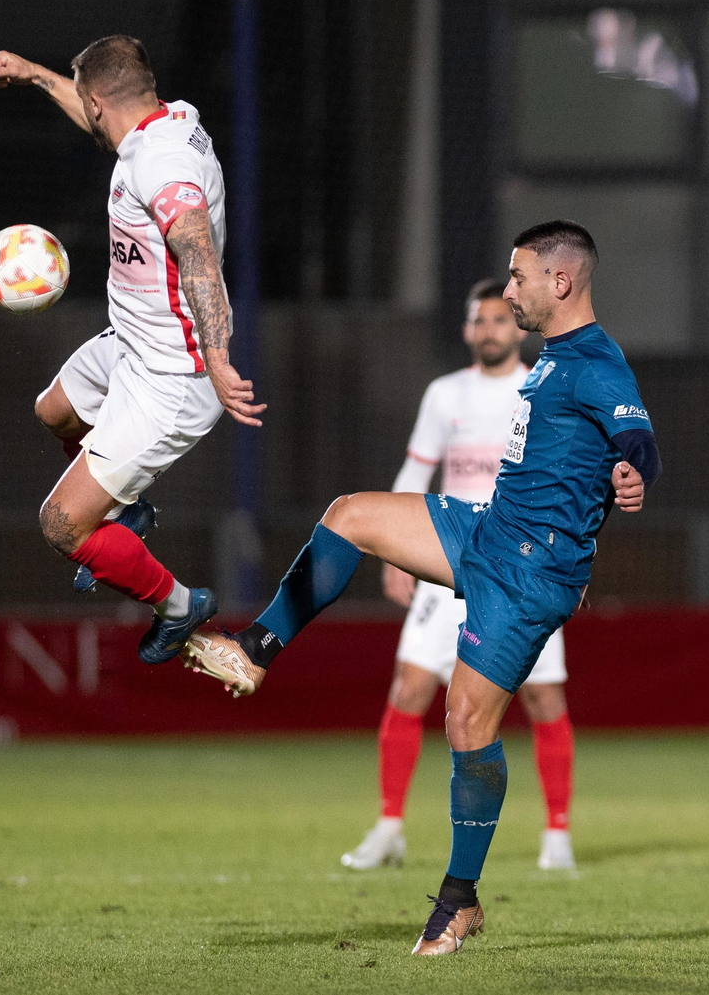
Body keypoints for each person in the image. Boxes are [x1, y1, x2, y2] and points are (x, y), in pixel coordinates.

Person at [183, 221, 660, 955]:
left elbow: (638, 438)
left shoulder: (596, 361)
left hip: (530, 574)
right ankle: (255, 648)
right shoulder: (550, 360)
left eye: (519, 277)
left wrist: (633, 472)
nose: (508, 291)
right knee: (348, 515)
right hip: (490, 530)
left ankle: (460, 898)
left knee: (467, 723)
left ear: (561, 281)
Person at [0, 36, 264, 663]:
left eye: (83, 101)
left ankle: (177, 604)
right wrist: (34, 73)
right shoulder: (164, 121)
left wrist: (218, 357)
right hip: (131, 343)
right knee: (54, 411)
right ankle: (129, 509)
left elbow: (195, 252)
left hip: (172, 377)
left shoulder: (161, 164)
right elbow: (98, 105)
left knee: (62, 523)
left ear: (98, 101)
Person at [341, 280, 576, 875]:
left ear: (517, 327)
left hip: (522, 566)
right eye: (480, 320)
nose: (489, 329)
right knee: (410, 688)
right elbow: (415, 471)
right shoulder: (445, 394)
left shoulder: (540, 388)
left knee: (543, 697)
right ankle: (390, 826)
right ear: (468, 329)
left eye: (500, 319)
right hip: (448, 560)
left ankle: (558, 833)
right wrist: (396, 553)